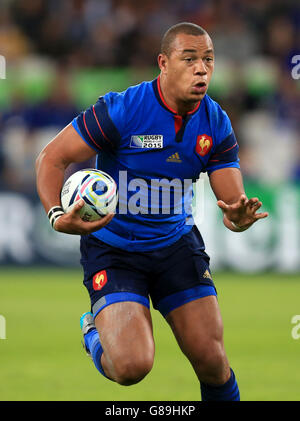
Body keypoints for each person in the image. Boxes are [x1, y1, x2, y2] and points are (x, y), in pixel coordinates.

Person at [36, 22, 268, 401]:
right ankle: (94, 332)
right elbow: (51, 158)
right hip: (115, 251)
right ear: (163, 62)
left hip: (175, 246)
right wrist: (56, 214)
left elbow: (232, 201)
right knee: (131, 368)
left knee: (212, 360)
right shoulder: (122, 109)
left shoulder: (216, 122)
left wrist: (238, 218)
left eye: (208, 60)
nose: (202, 69)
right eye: (189, 59)